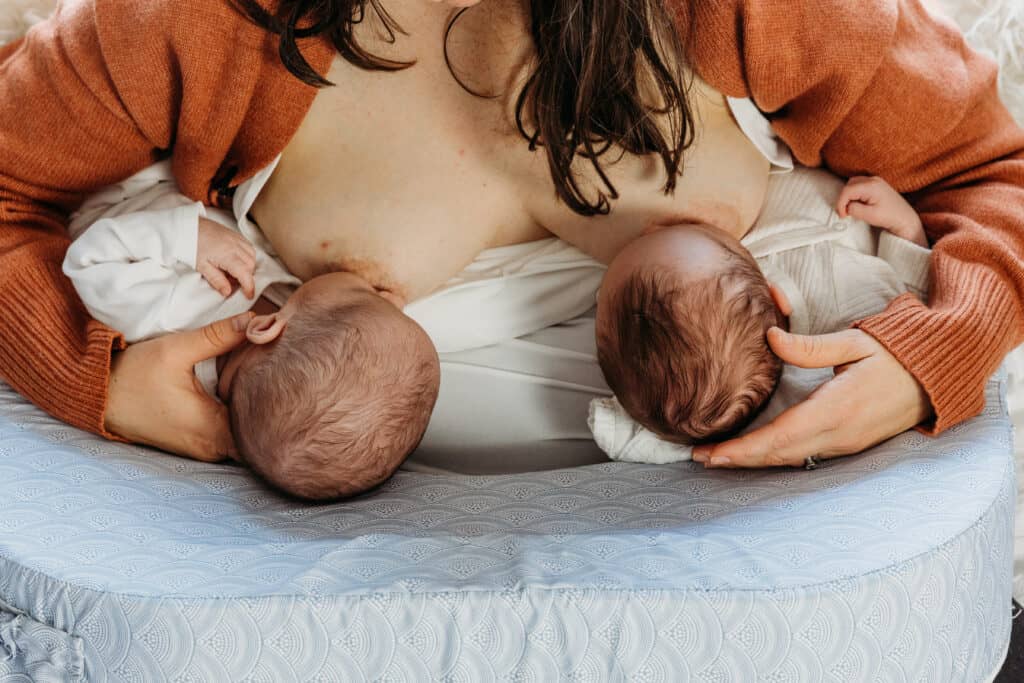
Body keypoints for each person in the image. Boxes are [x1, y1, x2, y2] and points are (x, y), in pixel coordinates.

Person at [1, 0, 1022, 470]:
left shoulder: (749, 11)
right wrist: (91, 379)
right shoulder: (205, 24)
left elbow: (992, 170)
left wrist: (934, 350)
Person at [62, 160, 440, 499]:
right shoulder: (294, 322)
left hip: (126, 194)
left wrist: (188, 239)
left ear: (268, 328)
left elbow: (87, 260)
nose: (395, 298)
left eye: (363, 296)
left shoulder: (167, 315)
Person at [591, 169, 932, 459]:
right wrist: (907, 228)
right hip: (847, 201)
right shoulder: (842, 316)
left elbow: (632, 438)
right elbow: (912, 312)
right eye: (689, 229)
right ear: (776, 296)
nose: (649, 229)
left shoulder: (699, 416)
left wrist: (686, 447)